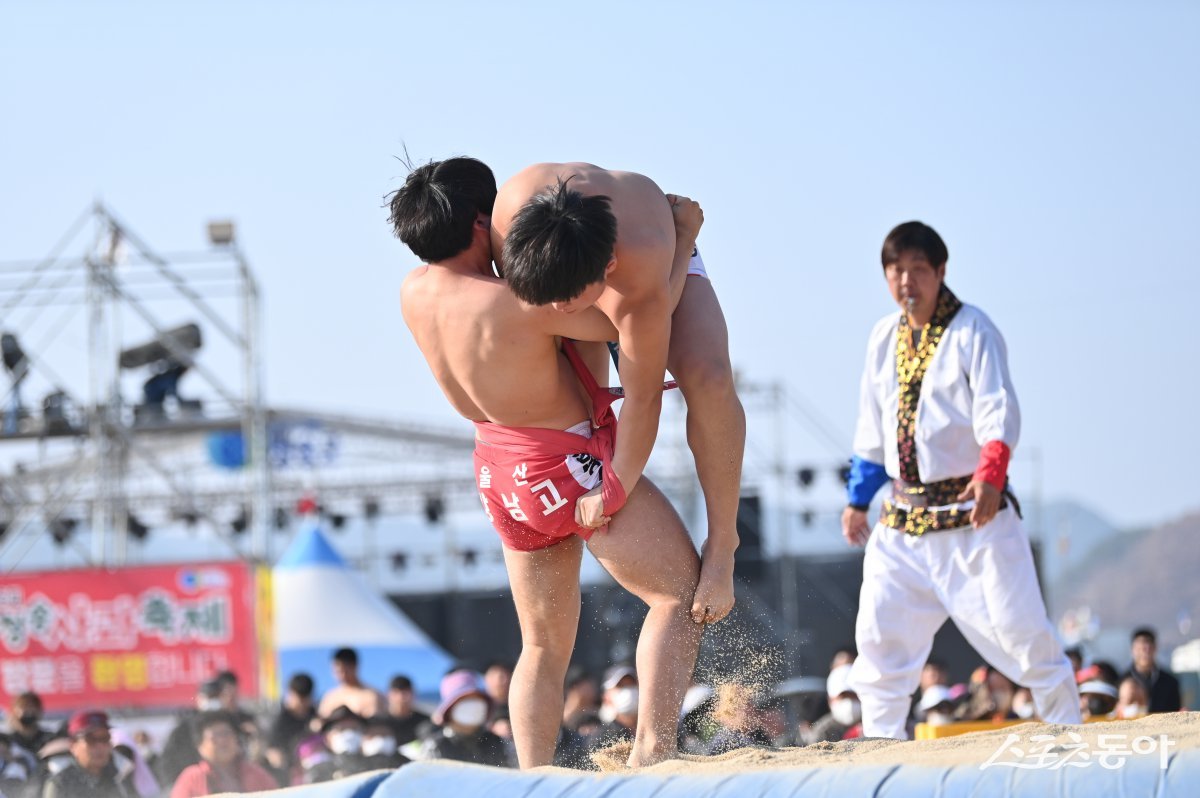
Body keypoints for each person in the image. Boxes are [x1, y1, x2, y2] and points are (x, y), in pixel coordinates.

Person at [389, 157, 705, 768]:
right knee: (677, 593)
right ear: (484, 224)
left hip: (500, 468)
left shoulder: (412, 293)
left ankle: (531, 776)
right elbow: (643, 310)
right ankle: (653, 751)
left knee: (541, 644)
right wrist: (683, 236)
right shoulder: (517, 303)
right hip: (568, 460)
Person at [841, 221, 1081, 739]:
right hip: (903, 522)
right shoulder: (883, 337)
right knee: (879, 642)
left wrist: (992, 476)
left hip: (972, 516)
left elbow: (998, 412)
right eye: (896, 270)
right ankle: (882, 746)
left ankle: (1068, 729)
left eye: (918, 270)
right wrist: (859, 499)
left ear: (941, 271)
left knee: (1023, 636)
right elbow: (871, 426)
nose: (907, 281)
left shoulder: (974, 330)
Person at [493, 163, 744, 630]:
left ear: (606, 269)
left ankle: (724, 543)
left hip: (661, 256)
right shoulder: (507, 215)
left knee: (708, 377)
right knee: (566, 334)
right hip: (568, 250)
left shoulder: (641, 273)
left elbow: (644, 398)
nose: (557, 313)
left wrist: (613, 490)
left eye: (568, 302)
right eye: (549, 301)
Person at [169, 712, 276, 797]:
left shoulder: (256, 773)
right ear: (200, 745)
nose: (222, 741)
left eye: (226, 734)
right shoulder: (192, 779)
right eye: (215, 737)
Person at [417, 670, 509, 768]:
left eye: (477, 699)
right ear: (450, 710)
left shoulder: (499, 743)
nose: (474, 707)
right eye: (465, 701)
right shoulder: (435, 747)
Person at [43, 711, 132, 798]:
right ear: (73, 745)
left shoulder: (119, 779)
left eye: (105, 738)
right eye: (91, 740)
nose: (100, 746)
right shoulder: (61, 784)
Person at [156, 678, 224, 786]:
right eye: (209, 697)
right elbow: (167, 763)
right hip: (193, 787)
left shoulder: (232, 722)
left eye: (215, 697)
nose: (212, 701)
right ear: (198, 698)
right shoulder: (185, 728)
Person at [265, 672, 318, 782]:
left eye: (305, 698)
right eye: (299, 698)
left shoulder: (315, 715)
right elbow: (271, 750)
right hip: (288, 771)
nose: (302, 703)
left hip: (312, 765)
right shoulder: (279, 719)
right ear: (290, 693)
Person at [1124, 627, 1182, 713]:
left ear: (1155, 648)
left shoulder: (1170, 683)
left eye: (1148, 649)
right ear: (1132, 650)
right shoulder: (1120, 682)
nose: (1145, 653)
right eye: (1141, 649)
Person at [585, 665, 639, 756]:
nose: (629, 691)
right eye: (621, 686)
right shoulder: (604, 737)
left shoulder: (651, 729)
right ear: (606, 696)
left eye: (631, 685)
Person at [318, 648, 385, 719]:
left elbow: (376, 724)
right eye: (337, 672)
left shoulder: (371, 695)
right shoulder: (330, 697)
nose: (341, 675)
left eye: (344, 670)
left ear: (355, 666)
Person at [805, 664, 863, 743]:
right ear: (830, 700)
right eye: (843, 697)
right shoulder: (823, 732)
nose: (849, 701)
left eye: (853, 696)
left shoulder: (874, 724)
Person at [4, 693, 57, 761]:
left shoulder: (50, 738)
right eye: (24, 707)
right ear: (14, 711)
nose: (29, 711)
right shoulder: (7, 740)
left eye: (32, 707)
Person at [384, 675, 431, 747]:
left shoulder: (425, 722)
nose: (401, 697)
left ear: (413, 694)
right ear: (388, 695)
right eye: (396, 692)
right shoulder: (379, 723)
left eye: (405, 693)